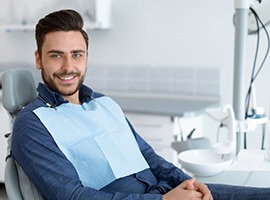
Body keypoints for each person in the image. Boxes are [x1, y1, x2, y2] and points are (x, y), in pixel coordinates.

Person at [11, 9, 270, 200]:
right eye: (56, 56)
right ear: (38, 59)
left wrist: (189, 183)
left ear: (86, 57)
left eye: (76, 55)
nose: (68, 67)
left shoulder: (104, 104)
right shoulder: (32, 123)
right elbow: (71, 197)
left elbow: (150, 159)